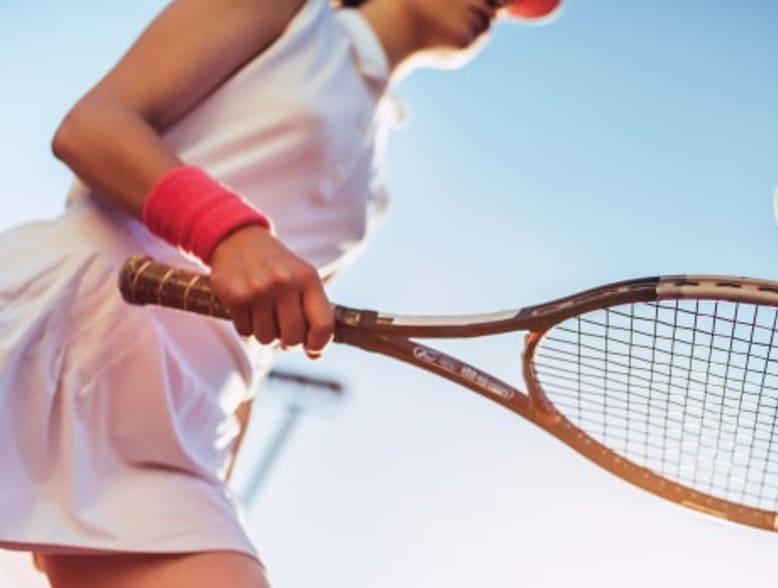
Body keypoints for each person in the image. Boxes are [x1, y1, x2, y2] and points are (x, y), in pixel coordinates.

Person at [0, 0, 561, 586]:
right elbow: (93, 126)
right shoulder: (294, 15)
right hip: (58, 327)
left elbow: (259, 347)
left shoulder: (375, 184)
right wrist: (230, 234)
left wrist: (224, 474)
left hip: (175, 437)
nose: (502, 4)